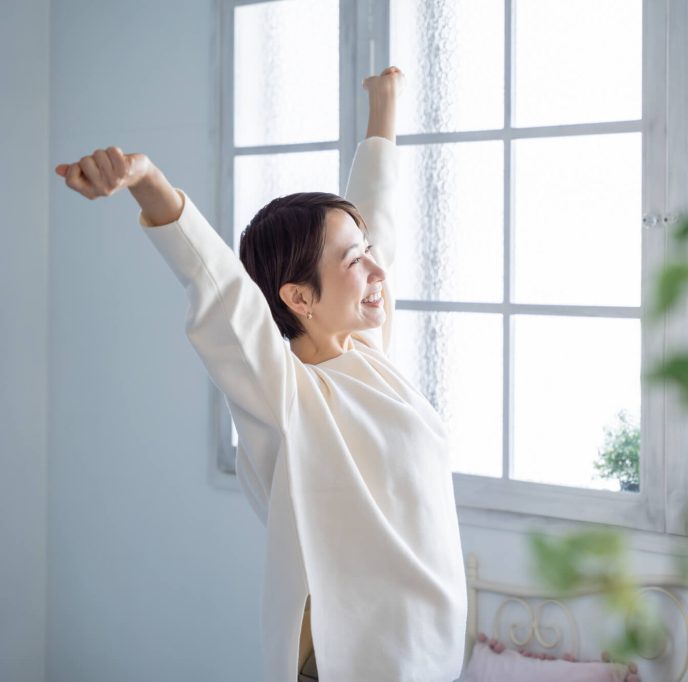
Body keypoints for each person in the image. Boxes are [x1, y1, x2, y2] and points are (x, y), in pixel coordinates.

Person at [55, 66, 469, 682]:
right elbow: (219, 288)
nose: (378, 271)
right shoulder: (286, 394)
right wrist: (147, 181)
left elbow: (377, 216)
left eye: (370, 254)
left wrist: (384, 106)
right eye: (357, 261)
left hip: (427, 665)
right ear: (299, 298)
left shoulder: (366, 356)